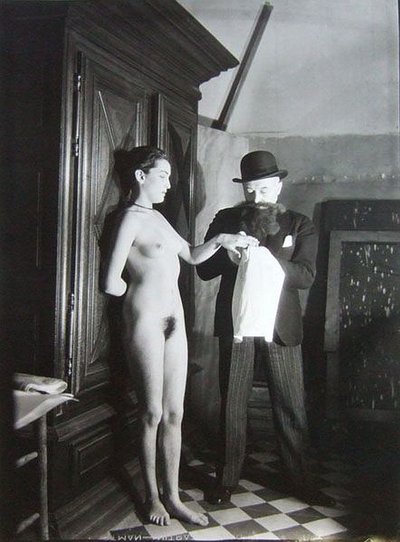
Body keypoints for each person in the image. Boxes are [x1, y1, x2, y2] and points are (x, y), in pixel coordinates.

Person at [102, 146, 258, 527]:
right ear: (140, 177)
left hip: (176, 323)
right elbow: (110, 282)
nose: (169, 185)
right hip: (146, 324)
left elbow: (189, 254)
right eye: (163, 176)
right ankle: (152, 498)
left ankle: (173, 497)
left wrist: (222, 240)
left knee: (176, 413)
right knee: (152, 412)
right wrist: (140, 299)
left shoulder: (158, 218)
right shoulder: (128, 220)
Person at [197, 150, 336, 507]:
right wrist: (228, 255)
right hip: (237, 324)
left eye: (263, 189)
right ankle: (227, 479)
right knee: (233, 404)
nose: (257, 197)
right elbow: (203, 270)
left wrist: (265, 261)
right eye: (250, 190)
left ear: (278, 186)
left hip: (280, 326)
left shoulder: (300, 224)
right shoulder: (226, 220)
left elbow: (305, 276)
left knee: (290, 404)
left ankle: (299, 480)